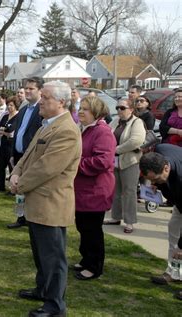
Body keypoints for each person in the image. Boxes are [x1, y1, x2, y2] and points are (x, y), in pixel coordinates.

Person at [9, 81, 81, 317]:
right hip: (37, 202)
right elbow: (28, 156)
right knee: (41, 254)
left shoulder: (67, 130)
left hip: (51, 203)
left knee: (53, 258)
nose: (41, 101)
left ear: (61, 102)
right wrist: (16, 172)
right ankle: (43, 290)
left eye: (46, 98)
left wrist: (20, 184)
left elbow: (46, 167)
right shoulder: (46, 125)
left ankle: (55, 306)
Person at [73, 96, 116, 280]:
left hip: (96, 191)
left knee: (92, 230)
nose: (81, 112)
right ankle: (86, 259)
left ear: (97, 113)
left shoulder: (103, 132)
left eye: (86, 109)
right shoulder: (86, 130)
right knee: (83, 226)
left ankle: (94, 266)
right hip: (83, 189)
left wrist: (76, 164)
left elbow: (103, 161)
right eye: (80, 108)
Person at [140, 145, 182, 289]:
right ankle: (175, 273)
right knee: (173, 230)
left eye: (156, 180)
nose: (153, 184)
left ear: (165, 168)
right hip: (179, 198)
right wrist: (157, 184)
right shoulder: (159, 150)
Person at [104, 98, 145, 233]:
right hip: (115, 162)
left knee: (129, 192)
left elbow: (135, 141)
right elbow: (107, 135)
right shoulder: (116, 121)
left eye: (122, 108)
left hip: (130, 162)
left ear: (131, 109)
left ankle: (130, 221)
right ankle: (116, 217)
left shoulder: (137, 122)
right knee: (115, 191)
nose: (119, 111)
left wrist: (115, 150)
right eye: (117, 108)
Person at [7, 77, 44, 229]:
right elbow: (18, 133)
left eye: (31, 89)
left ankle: (32, 218)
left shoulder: (42, 110)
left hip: (33, 157)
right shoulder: (23, 110)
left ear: (40, 91)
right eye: (26, 88)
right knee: (18, 189)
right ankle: (21, 217)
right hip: (19, 155)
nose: (27, 91)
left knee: (30, 190)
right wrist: (12, 153)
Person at [0, 96, 18, 192]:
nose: (9, 107)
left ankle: (13, 188)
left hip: (11, 145)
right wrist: (4, 131)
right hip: (3, 142)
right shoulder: (5, 116)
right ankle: (0, 186)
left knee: (11, 166)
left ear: (16, 106)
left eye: (11, 105)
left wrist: (4, 130)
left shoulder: (17, 116)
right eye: (8, 105)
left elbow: (11, 130)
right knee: (0, 165)